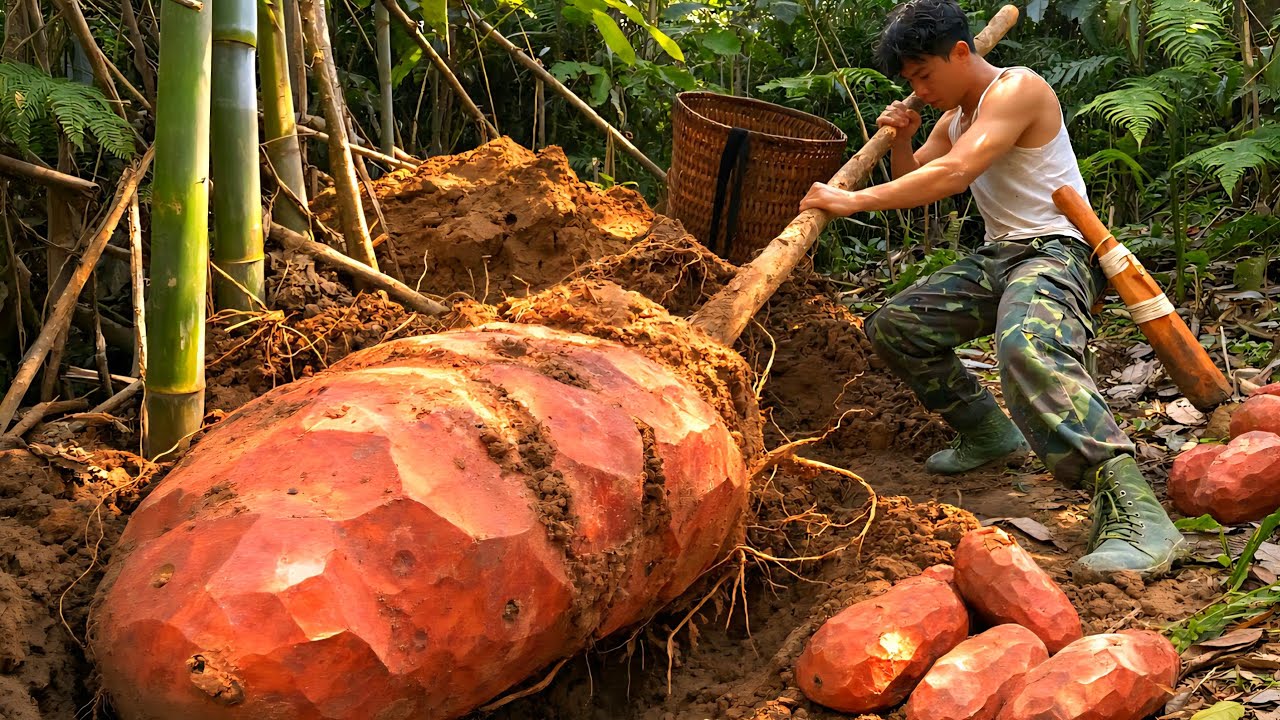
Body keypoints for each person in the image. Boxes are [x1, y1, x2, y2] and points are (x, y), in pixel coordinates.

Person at [799, 0, 1184, 578]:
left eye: (924, 75)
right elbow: (915, 178)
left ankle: (1139, 512)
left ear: (961, 52)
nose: (919, 90)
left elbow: (955, 174)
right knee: (895, 326)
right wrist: (902, 139)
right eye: (910, 82)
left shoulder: (1017, 89)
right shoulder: (954, 119)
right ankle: (988, 432)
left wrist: (849, 200)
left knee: (1027, 343)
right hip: (1001, 255)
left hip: (1058, 250)